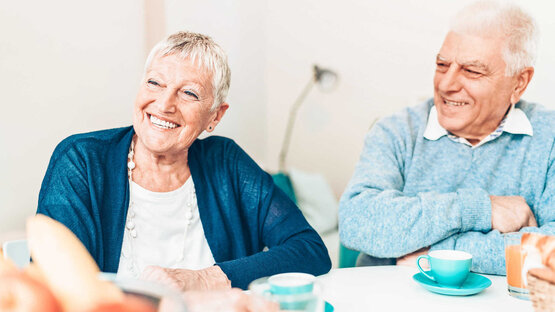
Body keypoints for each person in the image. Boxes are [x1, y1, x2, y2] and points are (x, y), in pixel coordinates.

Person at [36, 31, 331, 294]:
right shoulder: (81, 161)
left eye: (189, 93)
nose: (164, 105)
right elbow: (59, 284)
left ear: (215, 116)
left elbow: (310, 250)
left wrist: (205, 280)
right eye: (154, 83)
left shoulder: (227, 162)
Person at [339, 0, 555, 275]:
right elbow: (357, 221)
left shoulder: (550, 138)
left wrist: (435, 254)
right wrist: (479, 209)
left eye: (472, 71)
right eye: (442, 65)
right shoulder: (396, 131)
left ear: (519, 82)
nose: (445, 84)